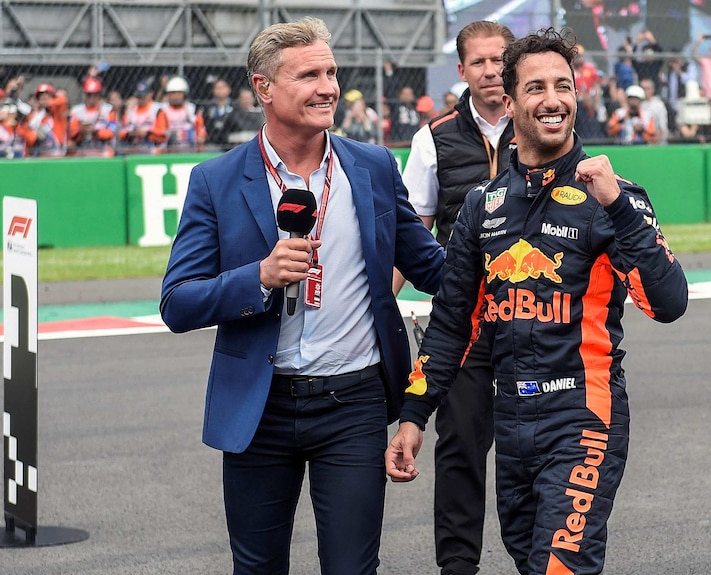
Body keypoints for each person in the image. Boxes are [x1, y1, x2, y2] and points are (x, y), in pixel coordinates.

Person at [385, 27, 688, 575]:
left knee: (559, 566)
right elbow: (453, 324)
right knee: (532, 562)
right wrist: (413, 417)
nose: (553, 100)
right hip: (513, 418)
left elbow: (668, 301)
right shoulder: (483, 204)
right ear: (511, 98)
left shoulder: (611, 195)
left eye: (564, 87)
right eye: (537, 88)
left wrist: (619, 207)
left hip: (583, 416)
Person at [159, 17, 444, 575]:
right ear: (264, 87)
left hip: (354, 402)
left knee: (351, 567)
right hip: (258, 409)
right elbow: (178, 302)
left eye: (331, 72)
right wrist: (258, 277)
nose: (328, 87)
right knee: (258, 566)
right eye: (309, 74)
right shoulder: (215, 180)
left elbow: (432, 269)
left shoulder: (374, 166)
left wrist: (505, 254)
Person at [398, 20, 516, 575]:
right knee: (461, 445)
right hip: (464, 319)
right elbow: (411, 234)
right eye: (481, 62)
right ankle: (457, 566)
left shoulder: (544, 121)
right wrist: (375, 307)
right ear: (462, 71)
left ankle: (540, 557)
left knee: (532, 447)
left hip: (531, 318)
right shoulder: (433, 137)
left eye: (501, 60)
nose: (492, 71)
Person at [150, 75, 207, 151]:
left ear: (184, 94)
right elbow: (158, 132)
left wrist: (199, 135)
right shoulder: (163, 110)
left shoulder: (192, 109)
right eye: (173, 93)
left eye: (179, 93)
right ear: (168, 95)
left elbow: (200, 129)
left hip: (190, 145)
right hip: (169, 147)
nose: (176, 96)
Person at [68, 76, 117, 156]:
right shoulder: (76, 111)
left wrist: (95, 131)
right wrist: (81, 130)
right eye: (89, 95)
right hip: (83, 148)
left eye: (95, 94)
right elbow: (72, 133)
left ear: (99, 94)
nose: (92, 98)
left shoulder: (108, 110)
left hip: (103, 148)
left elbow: (111, 133)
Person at [118, 79, 163, 150]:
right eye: (138, 96)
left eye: (143, 96)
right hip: (132, 145)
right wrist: (129, 134)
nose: (140, 98)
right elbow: (121, 133)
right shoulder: (131, 109)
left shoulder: (157, 109)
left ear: (150, 94)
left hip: (152, 145)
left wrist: (147, 133)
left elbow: (163, 133)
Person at [203, 77, 233, 148]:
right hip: (212, 141)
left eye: (223, 87)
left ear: (229, 90)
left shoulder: (234, 107)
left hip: (229, 141)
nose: (220, 90)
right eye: (217, 88)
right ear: (213, 91)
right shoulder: (208, 108)